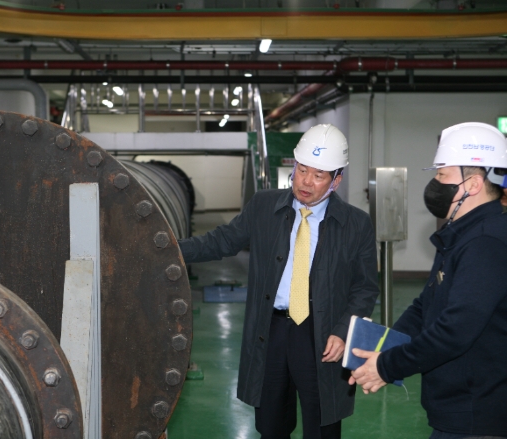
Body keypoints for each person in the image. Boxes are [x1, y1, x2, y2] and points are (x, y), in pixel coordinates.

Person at [179, 124, 379, 439]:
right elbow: (221, 241)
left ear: (336, 181)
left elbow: (365, 288)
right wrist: (169, 249)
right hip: (270, 332)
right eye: (302, 170)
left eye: (318, 175)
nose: (306, 181)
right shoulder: (264, 206)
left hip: (322, 335)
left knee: (323, 423)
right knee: (271, 424)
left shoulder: (356, 224)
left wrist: (343, 331)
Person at [349, 122, 507, 439]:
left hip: (477, 413)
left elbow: (455, 330)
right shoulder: (460, 234)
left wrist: (387, 366)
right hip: (456, 406)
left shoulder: (486, 243)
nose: (434, 184)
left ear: (472, 184)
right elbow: (426, 305)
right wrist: (385, 347)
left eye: (442, 176)